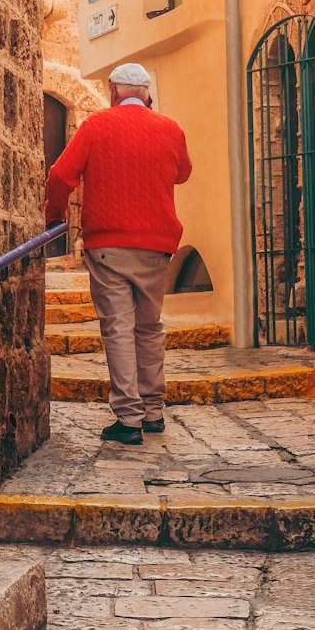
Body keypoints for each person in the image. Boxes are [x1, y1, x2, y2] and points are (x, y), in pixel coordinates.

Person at [45, 63, 192, 445]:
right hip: (157, 246)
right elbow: (183, 173)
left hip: (109, 245)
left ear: (111, 90)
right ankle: (153, 410)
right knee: (149, 326)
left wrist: (54, 215)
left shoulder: (96, 126)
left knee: (118, 329)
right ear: (147, 93)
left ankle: (129, 419)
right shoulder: (171, 128)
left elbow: (61, 175)